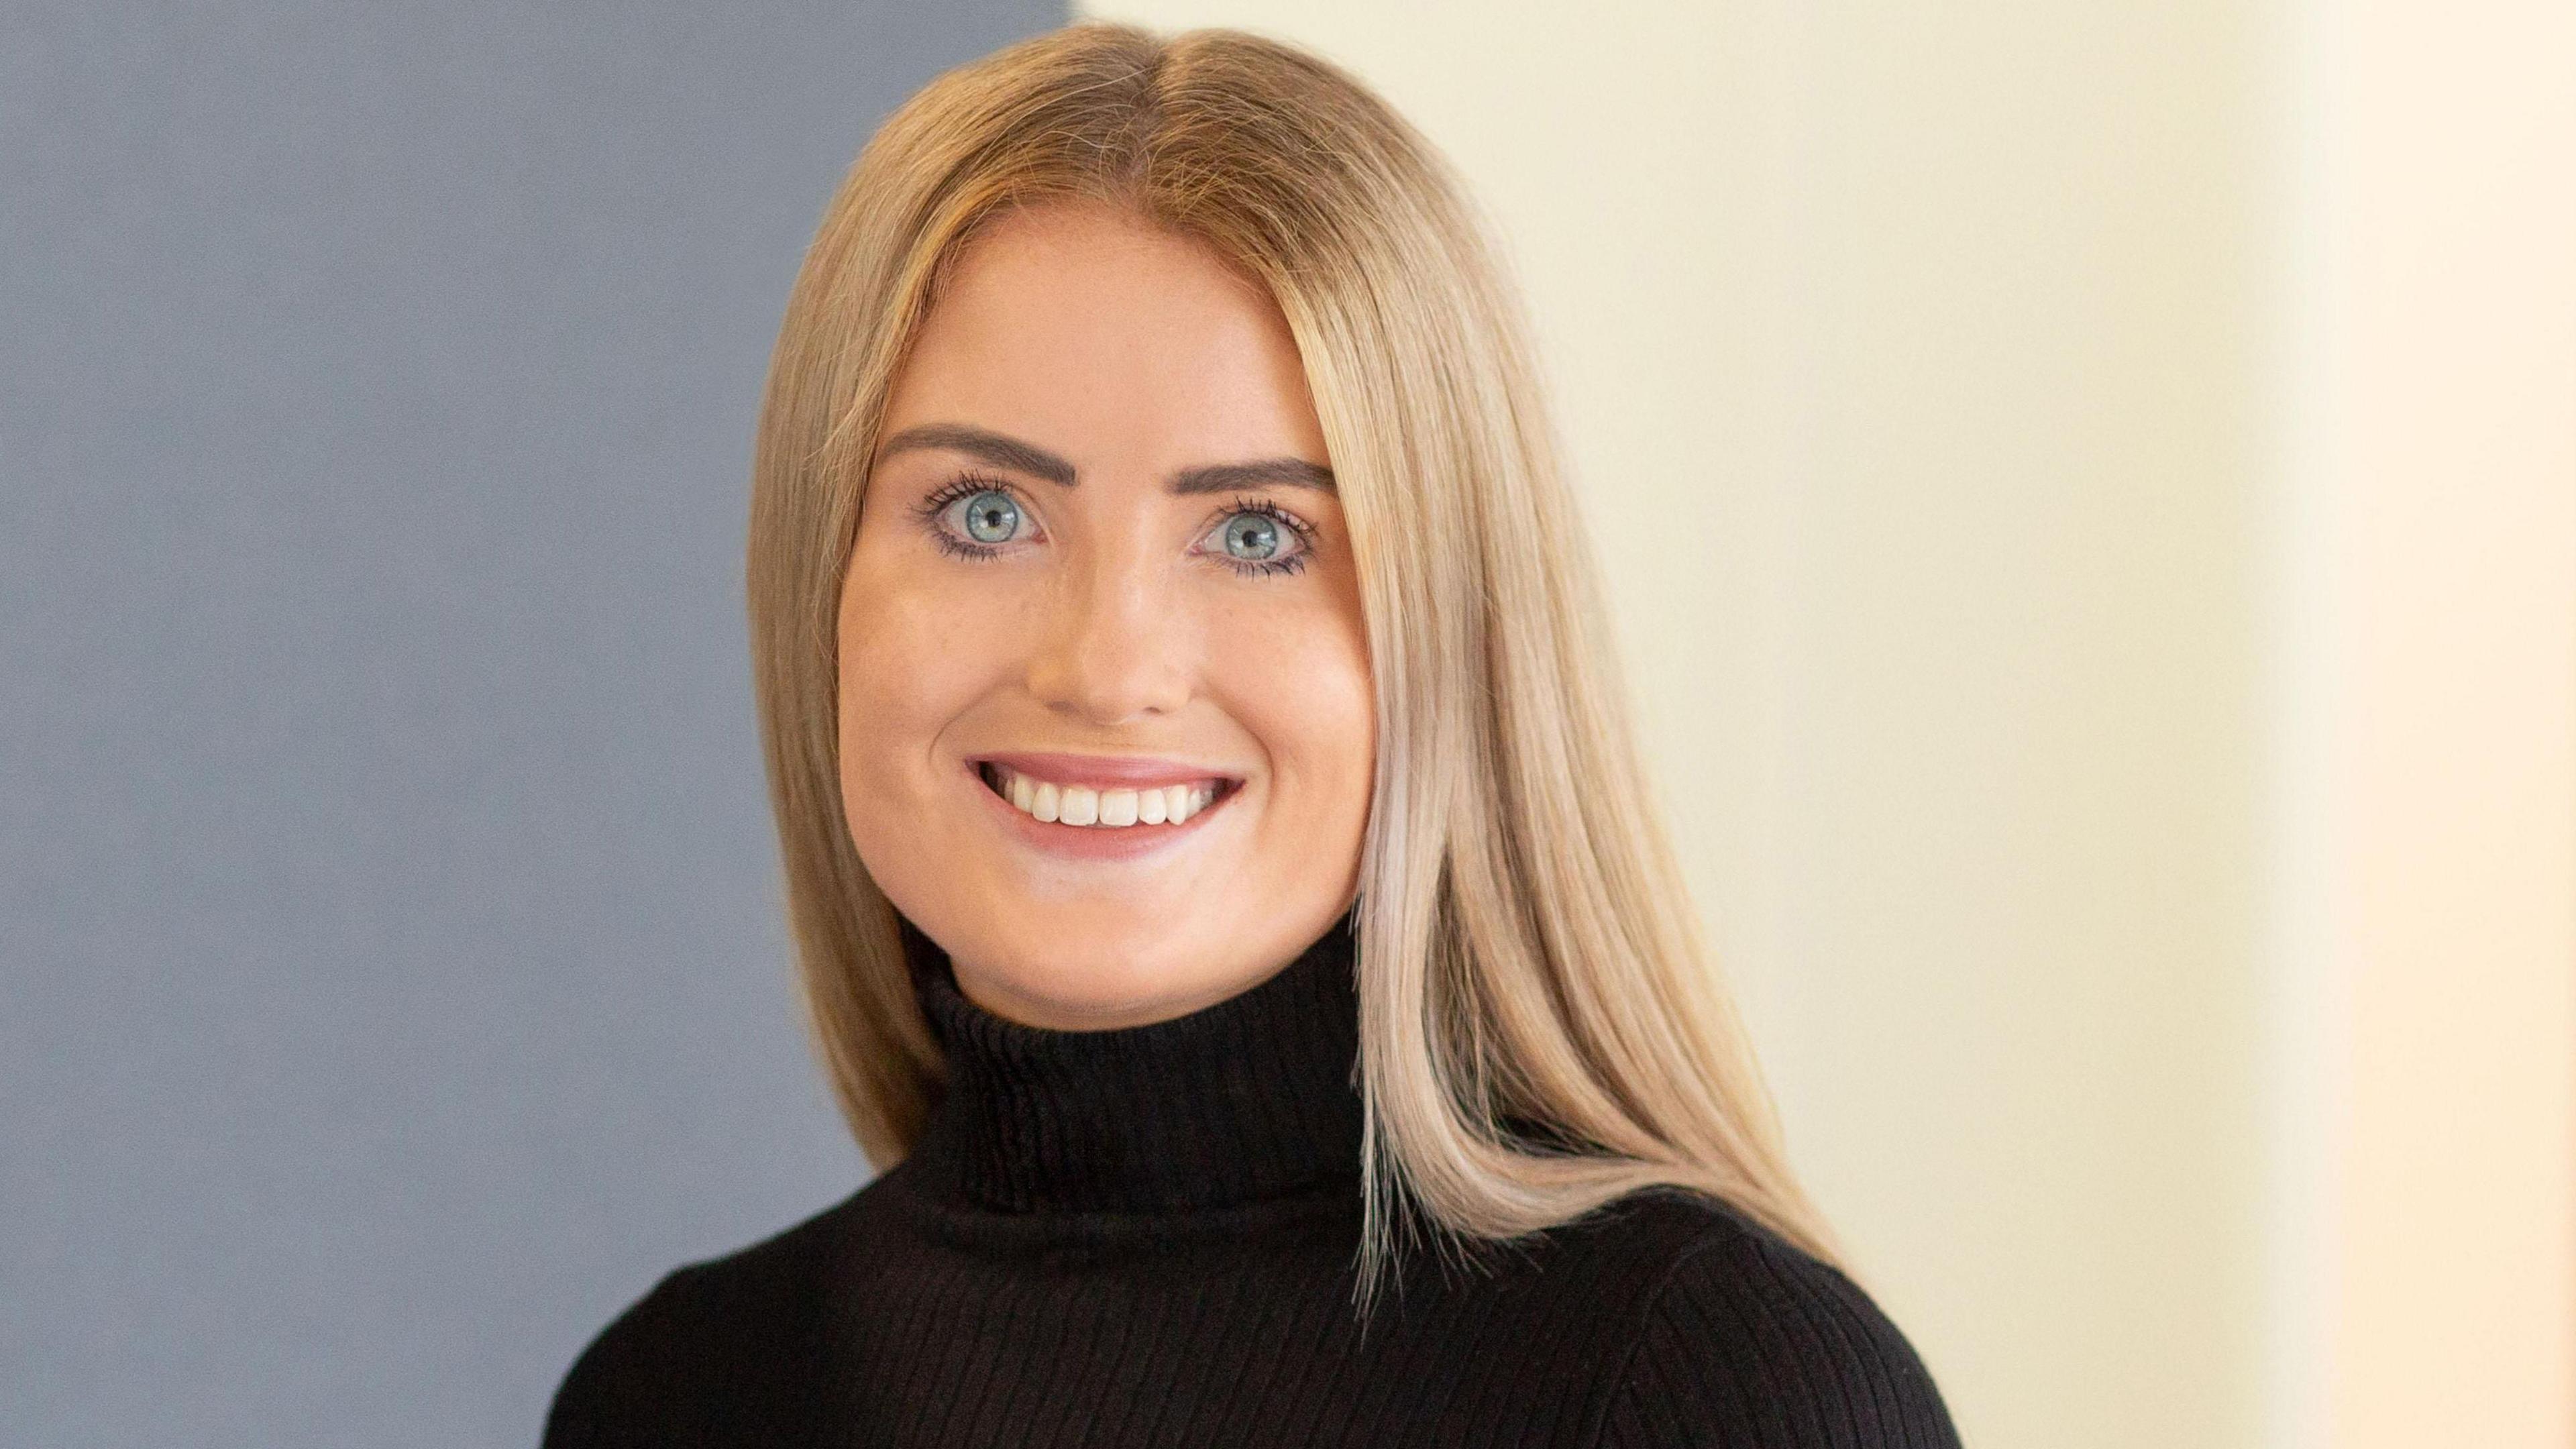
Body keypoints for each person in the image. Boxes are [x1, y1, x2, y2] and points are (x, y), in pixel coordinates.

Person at [545, 21, 1962, 1448]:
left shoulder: (1714, 1387)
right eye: (987, 514)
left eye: (1259, 533)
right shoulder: (673, 1397)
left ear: (1452, 638)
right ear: (823, 582)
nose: (1106, 669)